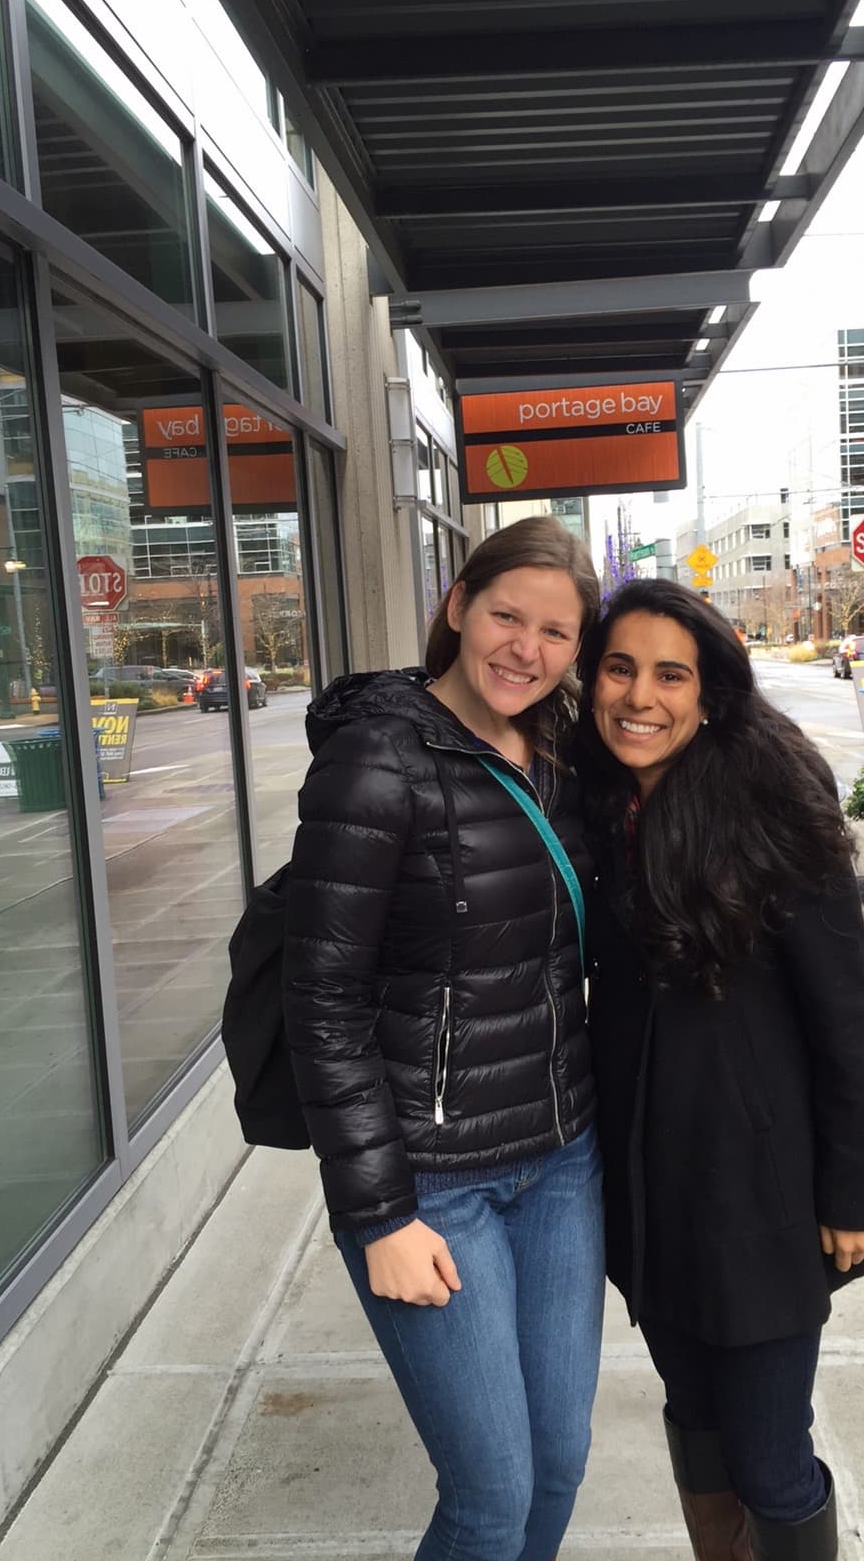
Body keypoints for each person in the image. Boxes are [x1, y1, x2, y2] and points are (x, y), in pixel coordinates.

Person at [282, 516, 604, 1561]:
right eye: (508, 615)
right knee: (491, 1494)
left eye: (557, 632)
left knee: (556, 1463)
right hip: (434, 1184)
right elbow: (320, 996)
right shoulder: (379, 760)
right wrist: (380, 1214)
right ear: (458, 605)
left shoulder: (559, 750)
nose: (527, 648)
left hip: (559, 1161)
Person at [576, 578, 864, 1561]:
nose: (641, 696)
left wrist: (858, 1190)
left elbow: (845, 1014)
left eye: (670, 674)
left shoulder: (772, 803)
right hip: (648, 1184)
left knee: (769, 1450)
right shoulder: (594, 804)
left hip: (756, 1194)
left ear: (710, 692)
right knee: (695, 1414)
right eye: (620, 667)